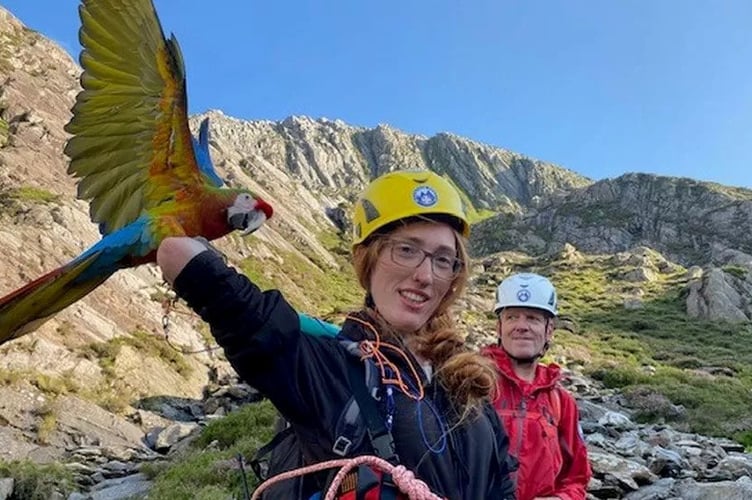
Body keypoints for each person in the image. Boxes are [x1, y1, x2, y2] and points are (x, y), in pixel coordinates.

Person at [157, 170, 516, 499]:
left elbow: (503, 486)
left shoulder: (467, 382)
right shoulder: (321, 365)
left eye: (442, 259)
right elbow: (177, 251)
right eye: (406, 250)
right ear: (367, 258)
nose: (426, 275)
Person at [483, 273, 591, 500]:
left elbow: (577, 477)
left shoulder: (562, 403)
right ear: (499, 327)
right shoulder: (473, 384)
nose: (522, 326)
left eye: (532, 318)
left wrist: (561, 499)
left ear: (549, 329)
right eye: (512, 317)